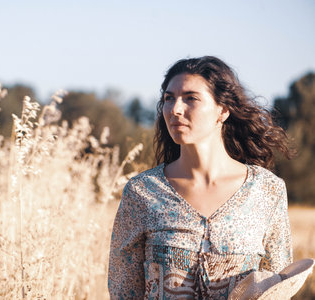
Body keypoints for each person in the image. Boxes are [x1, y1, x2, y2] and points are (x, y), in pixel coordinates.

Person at [108, 56, 294, 299]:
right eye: (168, 98)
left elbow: (279, 288)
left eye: (191, 98)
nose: (175, 109)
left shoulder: (267, 190)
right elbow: (124, 291)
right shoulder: (142, 191)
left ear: (223, 110)